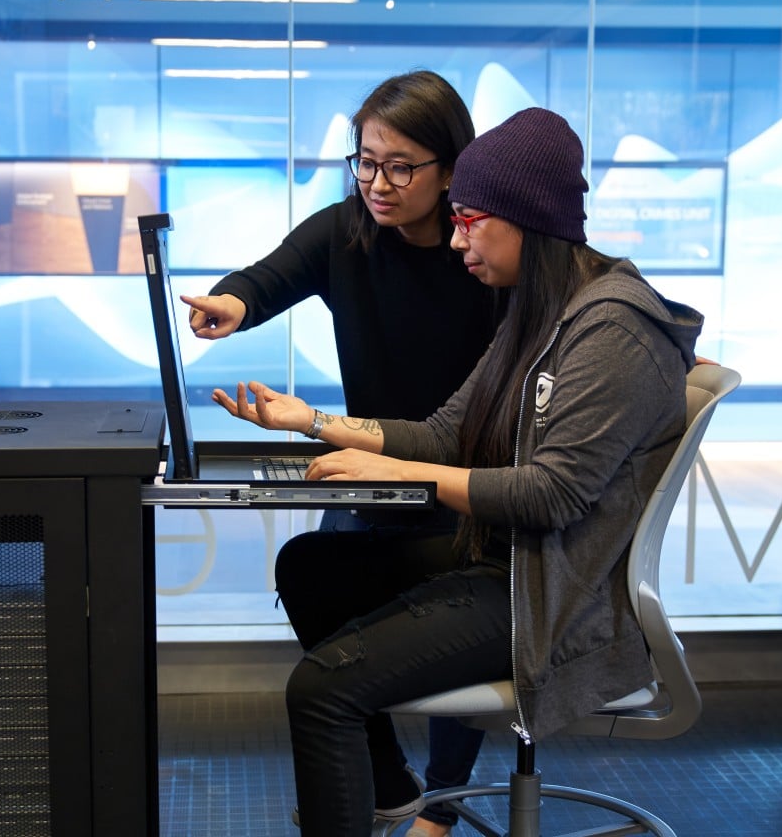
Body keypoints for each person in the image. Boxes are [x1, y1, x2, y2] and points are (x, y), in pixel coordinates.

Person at [208, 107, 704, 837]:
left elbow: (551, 494)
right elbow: (446, 433)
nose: (456, 236)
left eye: (470, 220)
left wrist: (401, 468)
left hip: (551, 594)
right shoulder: (540, 312)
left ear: (526, 220)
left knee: (322, 690)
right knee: (313, 565)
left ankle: (409, 797)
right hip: (508, 562)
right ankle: (383, 794)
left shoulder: (613, 330)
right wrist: (310, 423)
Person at [181, 71, 505, 834]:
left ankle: (445, 801)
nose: (377, 183)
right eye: (364, 161)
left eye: (400, 166)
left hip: (459, 479)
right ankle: (390, 781)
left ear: (450, 169)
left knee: (456, 625)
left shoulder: (484, 255)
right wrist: (231, 302)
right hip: (371, 473)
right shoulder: (344, 234)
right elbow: (266, 279)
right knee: (313, 573)